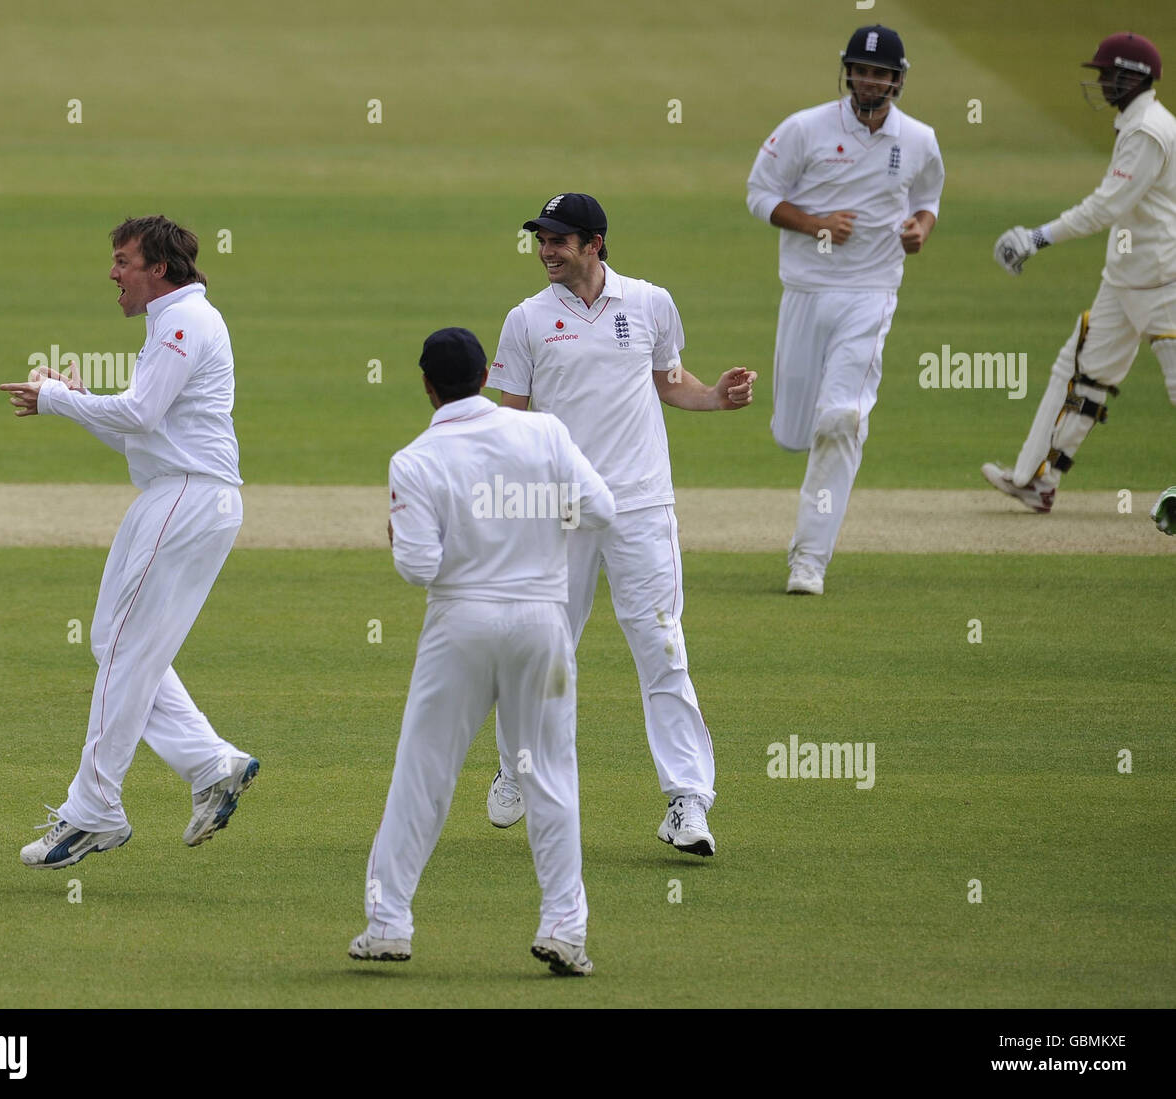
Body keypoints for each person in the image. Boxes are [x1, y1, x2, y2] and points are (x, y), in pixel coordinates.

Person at [485, 193, 755, 857]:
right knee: (541, 651)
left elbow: (668, 380)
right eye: (541, 240)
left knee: (664, 650)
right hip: (561, 512)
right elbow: (509, 419)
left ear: (594, 242)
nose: (547, 250)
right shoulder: (526, 320)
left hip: (640, 506)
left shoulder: (650, 303)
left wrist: (714, 397)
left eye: (558, 240)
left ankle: (687, 801)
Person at [350, 327, 615, 976]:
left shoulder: (414, 458)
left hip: (460, 626)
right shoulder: (545, 432)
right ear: (484, 376)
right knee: (549, 773)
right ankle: (564, 928)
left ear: (427, 385)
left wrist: (399, 532)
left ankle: (388, 922)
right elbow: (600, 508)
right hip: (541, 624)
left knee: (424, 772)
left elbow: (418, 566)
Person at [0, 215, 258, 869]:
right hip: (185, 494)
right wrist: (80, 400)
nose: (113, 274)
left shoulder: (181, 321)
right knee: (118, 646)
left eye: (123, 261)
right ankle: (210, 763)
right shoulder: (180, 320)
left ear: (159, 270)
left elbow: (140, 415)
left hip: (185, 497)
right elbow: (144, 430)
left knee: (122, 649)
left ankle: (93, 810)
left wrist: (58, 398)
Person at [746, 24, 944, 595]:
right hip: (806, 290)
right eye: (861, 69)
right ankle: (808, 450)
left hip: (872, 293)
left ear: (898, 80)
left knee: (842, 420)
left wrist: (919, 230)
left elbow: (928, 198)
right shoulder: (805, 128)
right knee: (795, 432)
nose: (869, 80)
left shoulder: (920, 140)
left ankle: (809, 560)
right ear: (848, 72)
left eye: (881, 72)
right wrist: (816, 225)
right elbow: (759, 194)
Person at [984, 32, 1176, 513]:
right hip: (1126, 277)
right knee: (1081, 373)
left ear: (1133, 77)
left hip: (1164, 279)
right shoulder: (1137, 122)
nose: (1102, 82)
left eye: (1108, 73)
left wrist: (1036, 237)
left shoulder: (1148, 131)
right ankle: (1037, 479)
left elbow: (1106, 207)